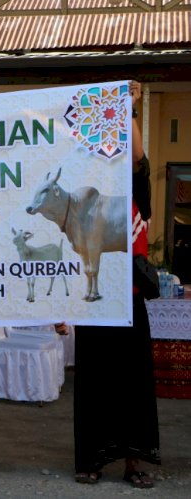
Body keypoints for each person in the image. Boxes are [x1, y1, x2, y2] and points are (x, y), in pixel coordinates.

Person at [73, 81, 161, 488]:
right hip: (94, 303)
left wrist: (130, 108)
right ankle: (91, 460)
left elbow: (140, 158)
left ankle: (133, 463)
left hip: (129, 305)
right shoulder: (85, 201)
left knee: (133, 387)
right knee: (94, 387)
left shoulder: (135, 193)